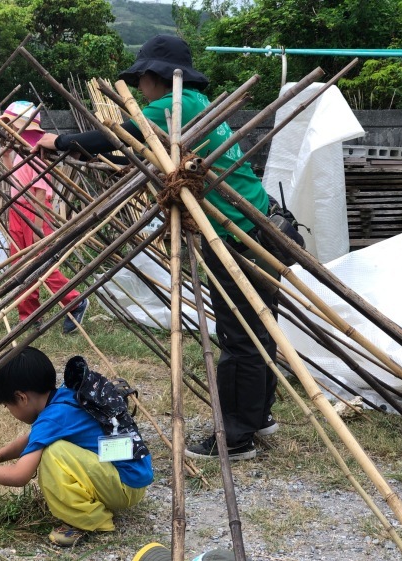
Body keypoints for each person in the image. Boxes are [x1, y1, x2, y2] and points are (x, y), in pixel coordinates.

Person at [33, 35, 279, 460]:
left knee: (238, 338)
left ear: (154, 77)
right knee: (259, 330)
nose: (140, 86)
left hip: (236, 236)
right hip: (262, 225)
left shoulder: (170, 107)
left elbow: (119, 138)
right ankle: (258, 416)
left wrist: (54, 142)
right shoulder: (200, 106)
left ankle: (236, 436)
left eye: (142, 77)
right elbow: (142, 150)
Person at [0, 346, 153, 547]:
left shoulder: (52, 419)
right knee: (48, 444)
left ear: (22, 398)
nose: (9, 411)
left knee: (53, 453)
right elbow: (34, 438)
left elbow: (20, 475)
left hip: (124, 486)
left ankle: (90, 520)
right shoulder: (67, 395)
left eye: (7, 406)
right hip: (134, 476)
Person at [0, 101, 88, 334]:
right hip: (17, 209)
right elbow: (12, 181)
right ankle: (28, 314)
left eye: (9, 125)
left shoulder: (36, 154)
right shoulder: (19, 153)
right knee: (20, 264)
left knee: (41, 261)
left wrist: (38, 225)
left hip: (35, 210)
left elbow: (39, 192)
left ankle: (74, 301)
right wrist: (6, 155)